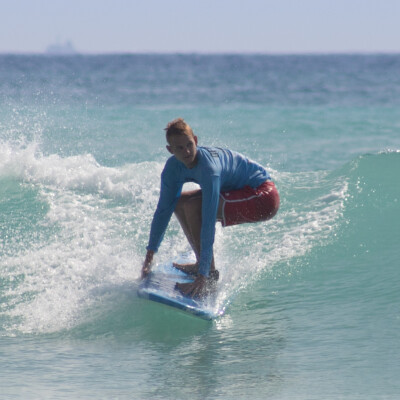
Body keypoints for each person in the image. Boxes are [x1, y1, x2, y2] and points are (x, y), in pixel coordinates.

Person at [141, 118, 279, 298]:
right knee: (179, 203)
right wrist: (149, 258)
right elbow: (163, 211)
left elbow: (207, 222)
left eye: (189, 145)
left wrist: (203, 277)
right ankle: (202, 265)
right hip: (238, 191)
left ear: (196, 140)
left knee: (193, 207)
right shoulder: (172, 169)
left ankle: (208, 275)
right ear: (170, 150)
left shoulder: (209, 169)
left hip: (262, 197)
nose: (187, 151)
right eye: (179, 148)